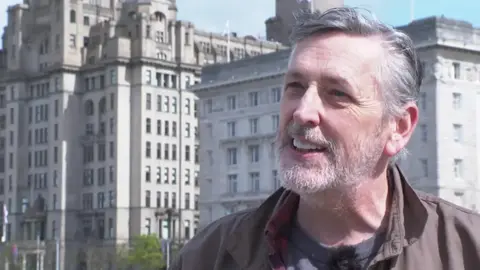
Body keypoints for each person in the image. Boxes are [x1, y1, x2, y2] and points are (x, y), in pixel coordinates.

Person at [170, 7, 480, 270]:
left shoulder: (466, 250)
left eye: (337, 93)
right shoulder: (210, 254)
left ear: (398, 127)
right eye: (295, 86)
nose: (304, 112)